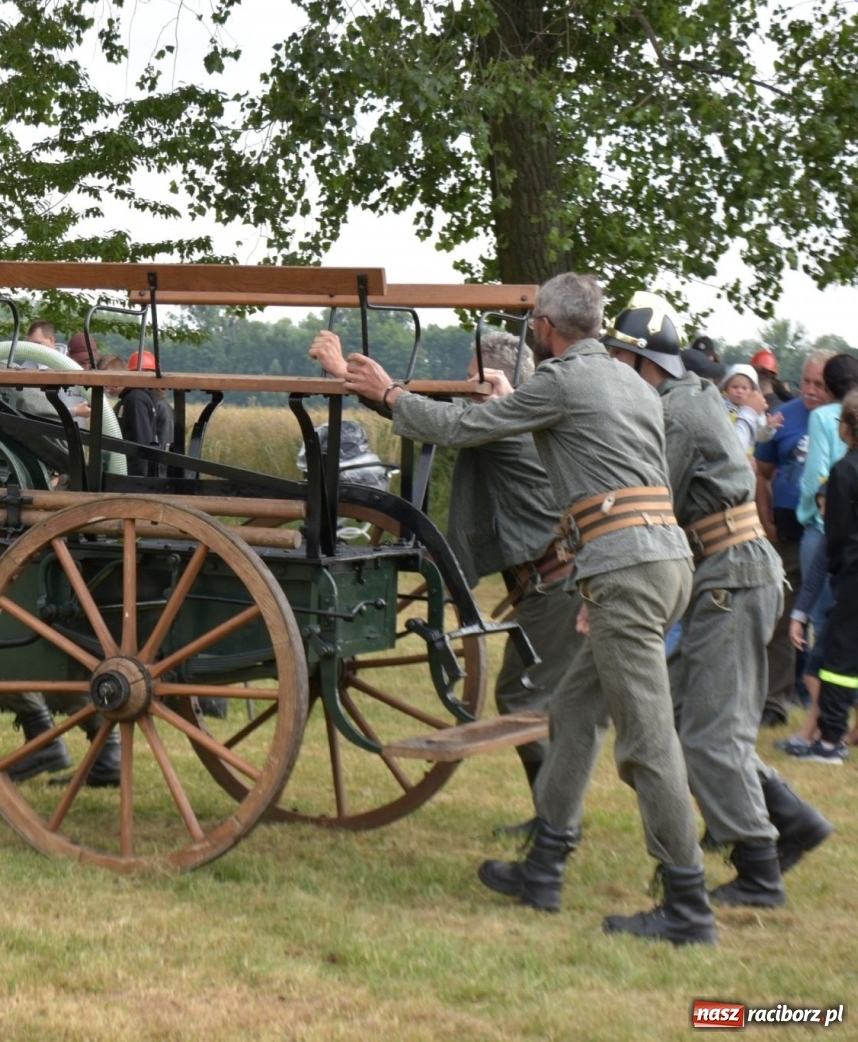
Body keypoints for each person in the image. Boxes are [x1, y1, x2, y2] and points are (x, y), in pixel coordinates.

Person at [344, 273, 715, 946]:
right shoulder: (634, 383)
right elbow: (615, 480)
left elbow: (463, 426)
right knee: (572, 711)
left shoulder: (565, 379)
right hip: (657, 564)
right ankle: (543, 867)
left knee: (648, 740)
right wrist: (590, 575)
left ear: (544, 325)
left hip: (627, 569)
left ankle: (688, 903)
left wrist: (389, 394)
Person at [603, 292, 828, 906]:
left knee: (709, 733)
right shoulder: (686, 401)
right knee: (684, 715)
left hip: (731, 575)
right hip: (727, 574)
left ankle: (758, 868)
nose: (613, 371)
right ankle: (793, 819)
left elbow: (652, 503)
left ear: (641, 362)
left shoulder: (672, 415)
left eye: (619, 358)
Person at [311, 329, 583, 822]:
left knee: (526, 696)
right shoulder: (525, 415)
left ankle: (554, 825)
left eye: (468, 379)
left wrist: (354, 379)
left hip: (556, 582)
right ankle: (553, 818)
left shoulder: (505, 423)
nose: (463, 387)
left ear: (492, 377)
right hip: (553, 577)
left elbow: (442, 423)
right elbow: (439, 418)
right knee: (550, 697)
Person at [755, 351, 833, 726]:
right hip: (787, 535)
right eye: (806, 381)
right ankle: (774, 703)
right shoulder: (785, 416)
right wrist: (765, 517)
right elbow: (762, 470)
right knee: (783, 619)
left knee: (829, 620)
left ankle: (829, 705)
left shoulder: (844, 419)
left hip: (831, 536)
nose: (811, 390)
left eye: (820, 384)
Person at [796, 391, 858, 762]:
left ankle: (831, 740)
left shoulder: (844, 471)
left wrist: (839, 570)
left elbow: (836, 533)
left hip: (854, 573)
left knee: (839, 658)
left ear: (846, 429)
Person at [118, 350, 167, 477]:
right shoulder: (141, 398)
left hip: (135, 474)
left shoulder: (136, 399)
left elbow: (142, 441)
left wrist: (140, 478)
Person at [720, 364, 766, 452]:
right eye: (735, 387)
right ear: (726, 388)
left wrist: (769, 428)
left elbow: (761, 436)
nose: (739, 391)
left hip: (746, 455)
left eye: (744, 388)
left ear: (753, 391)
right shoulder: (719, 404)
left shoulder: (756, 410)